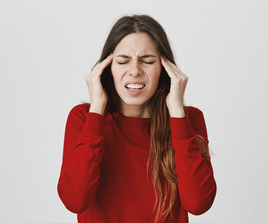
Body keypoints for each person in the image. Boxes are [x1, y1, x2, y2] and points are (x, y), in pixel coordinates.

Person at [57, 14, 217, 223]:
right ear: (107, 68)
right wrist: (96, 109)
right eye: (123, 61)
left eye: (148, 61)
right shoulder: (84, 118)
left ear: (164, 68)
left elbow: (198, 204)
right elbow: (74, 201)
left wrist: (177, 111)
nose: (134, 71)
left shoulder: (189, 119)